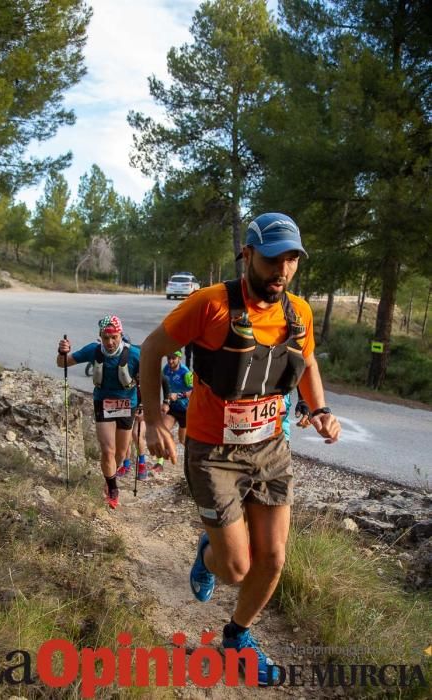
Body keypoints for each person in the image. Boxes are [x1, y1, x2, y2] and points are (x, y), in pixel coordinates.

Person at [140, 212, 341, 686]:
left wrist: (320, 408)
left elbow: (306, 359)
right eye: (273, 259)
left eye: (292, 260)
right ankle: (210, 549)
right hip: (212, 451)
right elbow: (151, 350)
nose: (283, 271)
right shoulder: (209, 305)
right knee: (235, 568)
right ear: (248, 254)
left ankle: (237, 636)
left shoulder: (299, 312)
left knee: (272, 559)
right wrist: (153, 420)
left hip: (270, 447)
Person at [57, 315, 141, 510]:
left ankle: (109, 478)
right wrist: (62, 351)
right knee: (107, 450)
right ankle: (113, 489)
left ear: (121, 335)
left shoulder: (135, 354)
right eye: (106, 338)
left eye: (114, 337)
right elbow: (62, 363)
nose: (110, 342)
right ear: (100, 337)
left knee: (120, 453)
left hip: (128, 404)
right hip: (103, 402)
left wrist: (146, 405)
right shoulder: (93, 351)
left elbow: (149, 377)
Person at [161, 350, 193, 446]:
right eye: (168, 358)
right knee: (164, 431)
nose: (170, 361)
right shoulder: (166, 369)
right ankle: (164, 458)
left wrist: (178, 395)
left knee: (183, 440)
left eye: (173, 358)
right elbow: (165, 386)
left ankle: (187, 459)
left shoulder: (186, 373)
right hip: (172, 407)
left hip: (185, 409)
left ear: (179, 358)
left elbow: (193, 392)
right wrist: (165, 402)